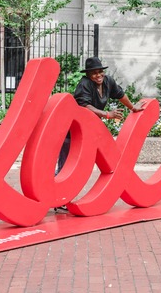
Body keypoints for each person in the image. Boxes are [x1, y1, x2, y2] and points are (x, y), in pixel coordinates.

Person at [55, 57, 144, 209]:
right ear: (88, 75)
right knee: (66, 165)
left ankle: (58, 197)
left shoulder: (108, 82)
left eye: (100, 72)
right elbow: (84, 106)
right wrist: (107, 114)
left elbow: (120, 94)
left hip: (88, 132)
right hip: (72, 132)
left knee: (77, 165)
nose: (98, 75)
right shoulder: (84, 85)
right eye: (94, 73)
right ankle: (55, 197)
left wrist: (132, 107)